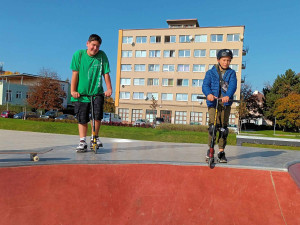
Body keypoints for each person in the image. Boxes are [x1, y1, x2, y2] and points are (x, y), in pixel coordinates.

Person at [70, 34, 112, 152]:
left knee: (97, 115)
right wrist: (73, 90)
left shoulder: (102, 56)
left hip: (96, 92)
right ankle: (82, 141)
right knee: (82, 117)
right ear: (87, 43)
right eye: (93, 45)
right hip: (81, 94)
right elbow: (75, 74)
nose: (95, 48)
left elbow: (106, 74)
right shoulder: (79, 55)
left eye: (97, 46)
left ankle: (95, 136)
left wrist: (109, 89)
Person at [202, 49, 237, 163]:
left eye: (228, 60)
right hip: (213, 102)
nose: (226, 62)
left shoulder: (231, 73)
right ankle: (210, 149)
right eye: (224, 60)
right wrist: (208, 94)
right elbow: (205, 85)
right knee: (213, 127)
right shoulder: (210, 72)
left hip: (225, 103)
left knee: (223, 128)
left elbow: (232, 86)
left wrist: (228, 95)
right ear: (218, 60)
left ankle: (221, 152)